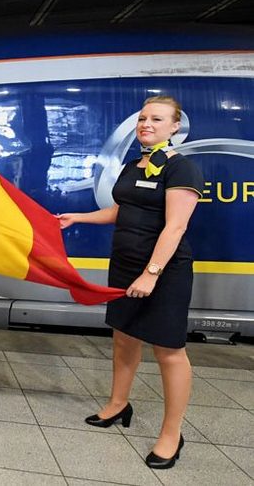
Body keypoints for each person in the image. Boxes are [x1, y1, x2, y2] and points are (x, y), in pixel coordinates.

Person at [58, 95, 203, 470]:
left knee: (168, 350)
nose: (146, 124)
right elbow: (120, 211)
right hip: (124, 266)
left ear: (175, 127)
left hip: (163, 271)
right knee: (123, 337)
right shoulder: (131, 165)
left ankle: (172, 433)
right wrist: (79, 218)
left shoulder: (181, 169)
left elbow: (176, 226)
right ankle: (119, 405)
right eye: (142, 118)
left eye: (157, 119)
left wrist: (150, 274)